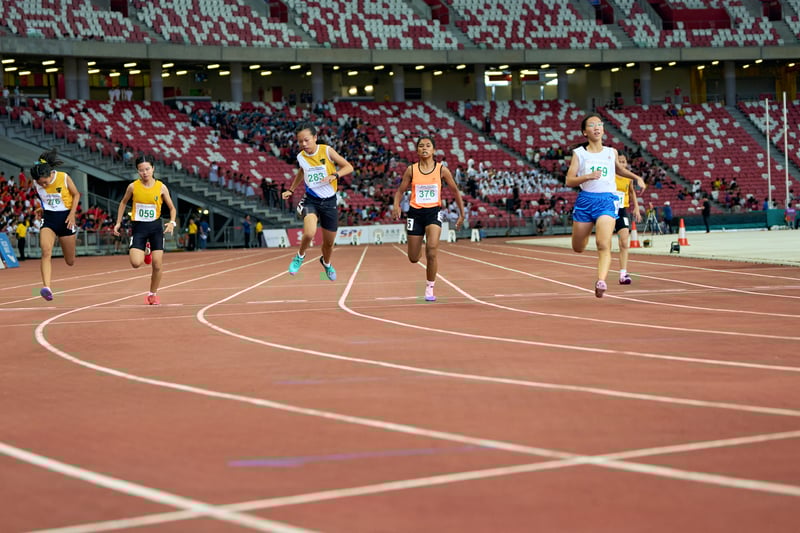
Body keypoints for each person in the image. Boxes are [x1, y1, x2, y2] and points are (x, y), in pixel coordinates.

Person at [565, 116, 646, 298]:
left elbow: (619, 170)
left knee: (603, 243)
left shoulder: (611, 152)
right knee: (578, 247)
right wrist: (586, 177)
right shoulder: (579, 153)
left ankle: (601, 281)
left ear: (603, 130)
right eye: (592, 125)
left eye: (599, 125)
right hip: (586, 201)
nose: (597, 127)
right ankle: (585, 235)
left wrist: (637, 178)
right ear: (585, 132)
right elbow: (569, 180)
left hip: (607, 201)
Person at [392, 136, 465, 302]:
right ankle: (418, 245)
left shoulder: (441, 170)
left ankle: (430, 288)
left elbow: (455, 191)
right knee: (413, 258)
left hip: (433, 212)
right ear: (417, 150)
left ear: (434, 150)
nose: (424, 148)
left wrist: (462, 213)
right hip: (415, 214)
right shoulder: (411, 170)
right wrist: (396, 205)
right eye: (421, 146)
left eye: (428, 145)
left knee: (431, 250)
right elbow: (400, 191)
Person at [281, 123, 353, 281]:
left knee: (329, 244)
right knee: (309, 233)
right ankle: (299, 256)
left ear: (315, 138)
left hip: (329, 202)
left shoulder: (326, 151)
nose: (303, 144)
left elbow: (348, 167)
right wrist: (291, 190)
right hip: (311, 200)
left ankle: (326, 263)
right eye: (300, 141)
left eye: (306, 140)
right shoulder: (301, 156)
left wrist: (334, 176)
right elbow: (302, 171)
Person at [113, 154, 177, 305]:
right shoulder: (133, 187)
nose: (145, 173)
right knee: (136, 263)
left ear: (153, 169)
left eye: (147, 169)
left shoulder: (161, 187)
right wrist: (118, 222)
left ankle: (152, 294)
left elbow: (172, 208)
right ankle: (146, 251)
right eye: (141, 170)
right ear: (138, 171)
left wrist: (172, 222)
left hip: (155, 228)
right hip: (139, 228)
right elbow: (123, 203)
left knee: (157, 264)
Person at [30, 149, 81, 301]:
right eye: (40, 183)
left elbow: (76, 194)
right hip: (49, 219)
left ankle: (68, 251)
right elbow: (46, 198)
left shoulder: (63, 177)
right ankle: (46, 287)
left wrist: (72, 214)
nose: (43, 185)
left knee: (70, 261)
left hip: (66, 219)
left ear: (50, 174)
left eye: (45, 182)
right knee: (45, 251)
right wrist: (42, 208)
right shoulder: (36, 182)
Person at [614, 152, 641, 285]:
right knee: (603, 243)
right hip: (607, 210)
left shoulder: (628, 177)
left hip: (621, 210)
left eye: (623, 161)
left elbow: (631, 192)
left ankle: (623, 274)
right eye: (619, 161)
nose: (622, 163)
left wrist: (636, 207)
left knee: (624, 242)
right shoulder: (609, 175)